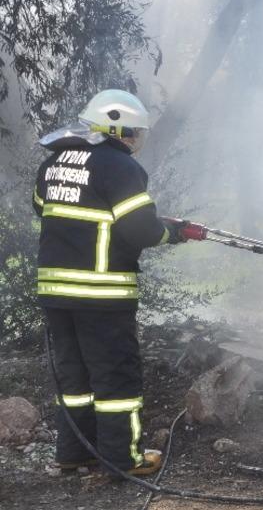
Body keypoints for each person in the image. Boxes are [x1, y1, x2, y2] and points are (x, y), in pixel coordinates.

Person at [34, 89, 203, 477]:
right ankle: (121, 459)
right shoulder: (119, 165)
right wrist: (172, 234)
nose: (136, 141)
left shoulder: (55, 161)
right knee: (116, 377)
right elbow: (141, 230)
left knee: (74, 377)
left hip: (56, 292)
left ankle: (75, 452)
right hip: (101, 292)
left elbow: (44, 208)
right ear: (119, 129)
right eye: (135, 133)